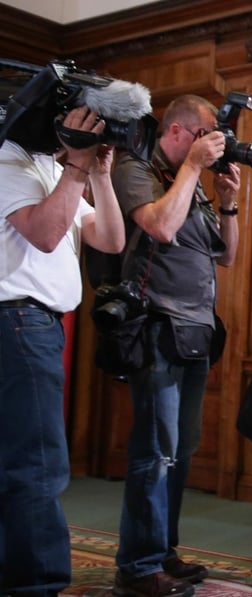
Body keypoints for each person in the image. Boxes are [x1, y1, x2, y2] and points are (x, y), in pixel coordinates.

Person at [109, 95, 241, 597]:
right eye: (210, 135)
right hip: (156, 328)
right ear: (181, 132)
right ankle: (138, 567)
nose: (216, 145)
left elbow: (225, 255)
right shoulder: (134, 169)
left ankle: (162, 549)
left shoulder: (194, 187)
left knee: (181, 451)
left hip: (195, 333)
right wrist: (190, 168)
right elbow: (161, 227)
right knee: (155, 451)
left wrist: (227, 201)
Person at [0, 107, 125, 597]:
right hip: (18, 322)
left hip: (36, 326)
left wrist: (98, 174)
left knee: (21, 461)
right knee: (37, 464)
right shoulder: (7, 163)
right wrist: (75, 168)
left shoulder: (53, 169)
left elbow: (111, 240)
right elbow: (47, 235)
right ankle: (37, 587)